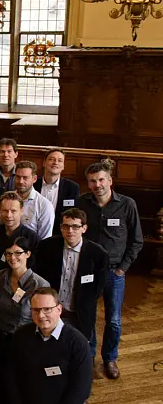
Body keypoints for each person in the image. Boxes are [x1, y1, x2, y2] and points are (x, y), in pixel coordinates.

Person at [78, 161, 143, 380]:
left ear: (110, 181)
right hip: (88, 272)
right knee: (87, 316)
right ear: (88, 183)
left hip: (114, 273)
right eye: (93, 181)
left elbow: (136, 240)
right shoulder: (82, 204)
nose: (97, 185)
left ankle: (109, 358)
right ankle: (89, 356)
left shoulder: (127, 205)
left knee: (113, 319)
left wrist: (123, 269)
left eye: (101, 180)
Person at [0, 236, 49, 404]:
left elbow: (44, 321)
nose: (13, 258)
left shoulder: (39, 285)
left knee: (25, 395)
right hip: (2, 341)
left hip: (26, 345)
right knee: (4, 395)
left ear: (28, 255)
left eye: (18, 253)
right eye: (9, 254)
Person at [35, 208, 109, 349]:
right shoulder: (47, 247)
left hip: (80, 313)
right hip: (51, 311)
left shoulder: (98, 254)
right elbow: (40, 276)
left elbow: (97, 289)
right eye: (66, 226)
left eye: (75, 226)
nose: (70, 231)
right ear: (61, 228)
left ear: (84, 228)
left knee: (79, 349)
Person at [0, 192, 42, 279]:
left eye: (13, 211)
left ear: (22, 211)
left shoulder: (33, 238)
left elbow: (36, 271)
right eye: (5, 211)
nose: (8, 215)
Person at [0, 161, 54, 240]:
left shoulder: (44, 205)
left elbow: (45, 240)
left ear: (34, 179)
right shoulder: (5, 199)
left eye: (25, 178)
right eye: (18, 177)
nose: (21, 181)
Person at [34, 149, 79, 236]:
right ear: (44, 163)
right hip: (35, 233)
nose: (56, 163)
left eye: (60, 160)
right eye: (52, 159)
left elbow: (73, 214)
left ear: (63, 166)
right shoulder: (33, 184)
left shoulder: (72, 188)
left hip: (60, 234)